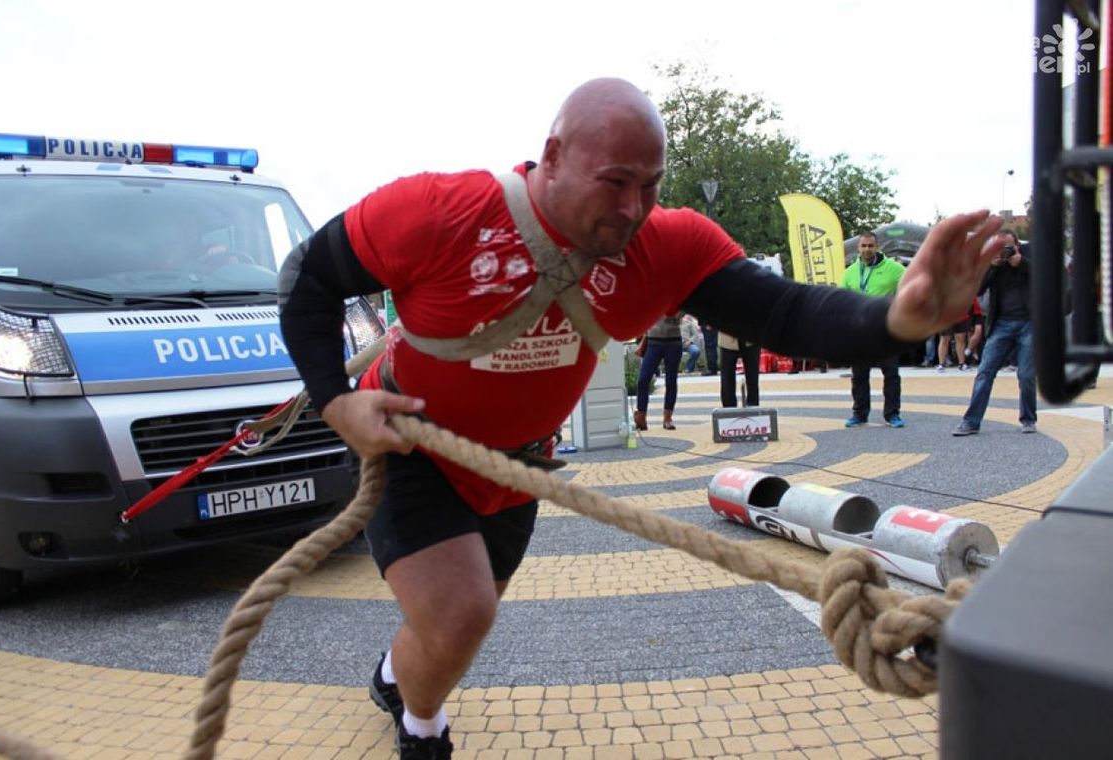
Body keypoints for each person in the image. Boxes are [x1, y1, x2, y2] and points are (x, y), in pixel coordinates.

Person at [277, 77, 1003, 758]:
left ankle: (397, 672)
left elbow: (784, 311)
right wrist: (336, 400)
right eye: (615, 183)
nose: (633, 208)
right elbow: (308, 279)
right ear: (554, 158)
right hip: (412, 443)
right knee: (462, 614)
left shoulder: (663, 245)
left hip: (517, 463)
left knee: (449, 630)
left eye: (650, 186)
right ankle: (423, 724)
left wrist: (897, 320)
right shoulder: (441, 211)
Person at [953, 229, 1036, 435]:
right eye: (1001, 247)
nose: (1005, 251)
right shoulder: (993, 263)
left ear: (1017, 245)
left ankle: (1028, 419)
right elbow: (978, 290)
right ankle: (971, 421)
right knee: (985, 372)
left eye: (1009, 246)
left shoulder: (1030, 257)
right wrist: (990, 266)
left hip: (1029, 323)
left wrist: (1021, 263)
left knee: (1026, 375)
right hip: (1001, 324)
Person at [839, 231, 908, 428]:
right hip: (859, 332)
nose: (867, 249)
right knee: (859, 375)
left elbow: (910, 288)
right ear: (858, 248)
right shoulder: (850, 272)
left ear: (877, 247)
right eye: (864, 246)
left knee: (891, 374)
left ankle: (892, 414)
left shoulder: (894, 269)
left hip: (885, 331)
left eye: (871, 246)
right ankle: (860, 413)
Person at [634, 312, 684, 430]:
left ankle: (668, 418)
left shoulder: (674, 295)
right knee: (643, 379)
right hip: (653, 340)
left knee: (671, 381)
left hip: (673, 340)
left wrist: (677, 315)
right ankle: (641, 416)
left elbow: (683, 309)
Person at [718, 332, 760, 407]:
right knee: (727, 377)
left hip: (752, 335)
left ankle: (753, 405)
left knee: (753, 376)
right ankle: (729, 407)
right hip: (727, 337)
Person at [935, 306, 971, 371]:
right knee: (944, 339)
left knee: (961, 339)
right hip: (946, 315)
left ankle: (962, 364)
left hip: (961, 315)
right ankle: (941, 364)